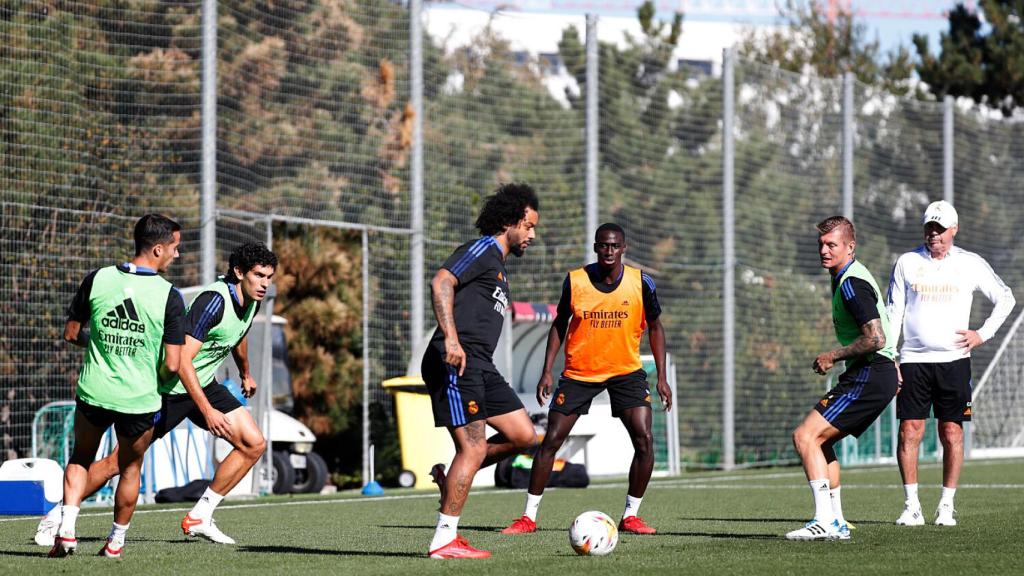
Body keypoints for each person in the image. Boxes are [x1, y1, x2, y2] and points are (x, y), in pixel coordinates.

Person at [39, 241, 277, 553]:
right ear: (239, 272)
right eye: (259, 276)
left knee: (254, 443)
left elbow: (239, 333)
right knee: (119, 463)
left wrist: (245, 371)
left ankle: (200, 516)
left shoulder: (251, 300)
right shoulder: (213, 302)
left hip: (203, 384)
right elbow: (183, 361)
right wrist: (206, 410)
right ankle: (57, 515)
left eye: (269, 277)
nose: (265, 284)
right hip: (172, 387)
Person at [501, 223, 671, 536]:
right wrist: (546, 370)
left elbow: (656, 327)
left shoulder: (641, 282)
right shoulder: (576, 280)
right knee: (551, 440)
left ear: (624, 248)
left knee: (644, 439)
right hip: (580, 373)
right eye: (603, 246)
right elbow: (558, 323)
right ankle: (527, 518)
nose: (609, 251)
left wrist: (661, 377)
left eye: (615, 246)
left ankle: (631, 516)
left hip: (626, 372)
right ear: (595, 247)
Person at [50, 214, 185, 558]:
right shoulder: (170, 296)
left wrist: (102, 345)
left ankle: (66, 531)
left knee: (81, 456)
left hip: (95, 392)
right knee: (129, 467)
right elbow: (172, 364)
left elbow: (70, 333)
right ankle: (115, 542)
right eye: (175, 248)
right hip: (139, 399)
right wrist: (154, 378)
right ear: (157, 249)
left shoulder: (98, 278)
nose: (177, 255)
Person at [422, 183, 541, 559]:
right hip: (455, 357)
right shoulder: (483, 249)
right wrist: (452, 340)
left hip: (481, 365)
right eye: (529, 226)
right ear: (510, 221)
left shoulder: (500, 268)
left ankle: (452, 475)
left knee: (524, 436)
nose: (532, 236)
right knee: (472, 447)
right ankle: (444, 540)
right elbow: (441, 281)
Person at [886, 200, 1015, 527]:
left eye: (940, 229)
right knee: (909, 431)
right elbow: (893, 312)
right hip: (914, 360)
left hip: (955, 362)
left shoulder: (970, 264)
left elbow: (1006, 298)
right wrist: (891, 355)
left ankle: (946, 505)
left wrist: (982, 334)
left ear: (953, 230)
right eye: (930, 228)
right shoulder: (906, 262)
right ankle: (912, 506)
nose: (934, 235)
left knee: (951, 432)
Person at [785, 216, 899, 541]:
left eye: (831, 244)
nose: (824, 250)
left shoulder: (851, 283)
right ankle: (836, 520)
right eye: (821, 244)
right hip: (876, 372)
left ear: (850, 247)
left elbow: (876, 338)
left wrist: (831, 356)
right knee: (822, 440)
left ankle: (824, 521)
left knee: (805, 437)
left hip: (871, 371)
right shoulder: (845, 277)